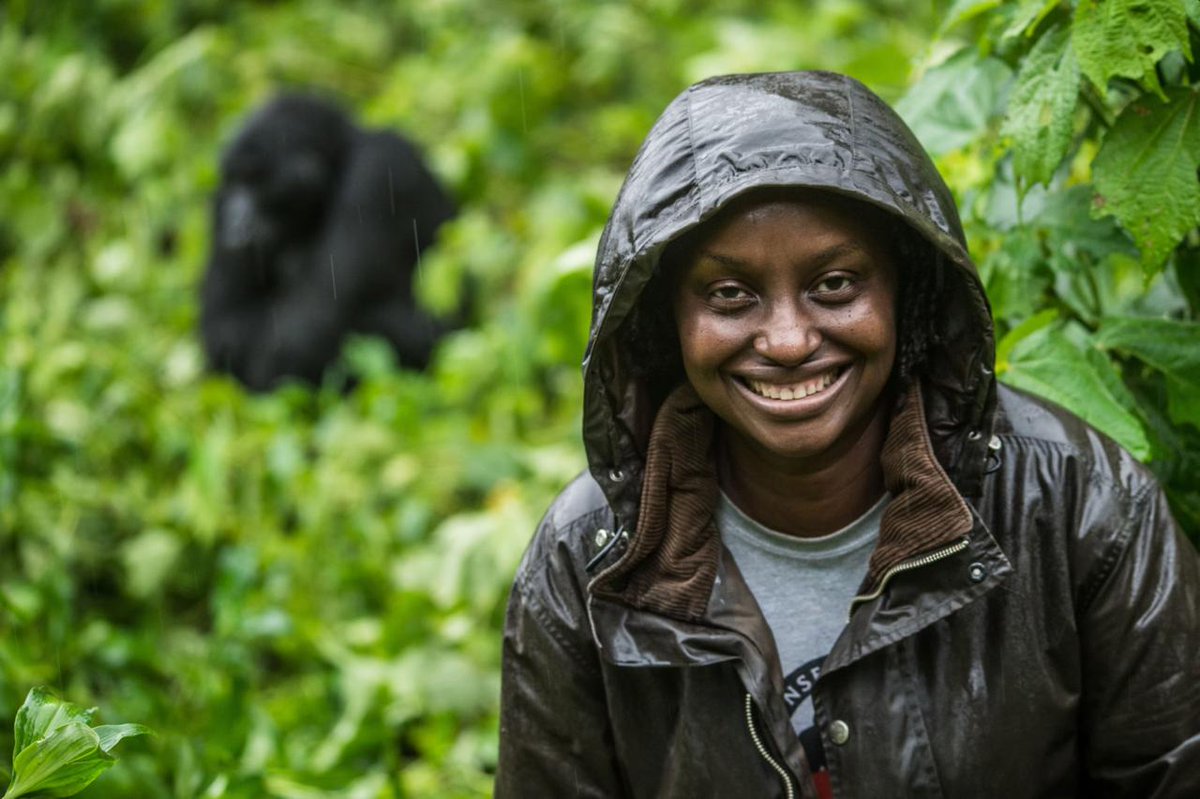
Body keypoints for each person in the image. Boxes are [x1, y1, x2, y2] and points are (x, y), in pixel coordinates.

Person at [496, 71, 1200, 798]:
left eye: (834, 284)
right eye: (730, 294)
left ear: (907, 292)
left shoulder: (1082, 507)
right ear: (665, 320)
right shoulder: (586, 561)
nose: (791, 339)